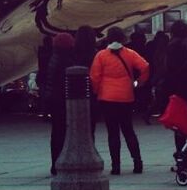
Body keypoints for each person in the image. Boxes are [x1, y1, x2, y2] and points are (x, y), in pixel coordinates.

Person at [89, 26, 150, 175]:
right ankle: (138, 163)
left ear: (108, 38)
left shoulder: (101, 55)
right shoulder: (129, 53)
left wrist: (97, 91)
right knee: (128, 130)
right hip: (126, 96)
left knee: (113, 132)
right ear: (123, 38)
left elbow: (94, 76)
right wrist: (139, 82)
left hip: (107, 97)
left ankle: (116, 166)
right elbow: (145, 66)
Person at [43, 32, 76, 175]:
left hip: (53, 100)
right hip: (63, 100)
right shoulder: (66, 60)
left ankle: (55, 163)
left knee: (56, 132)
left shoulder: (52, 57)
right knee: (63, 132)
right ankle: (62, 162)